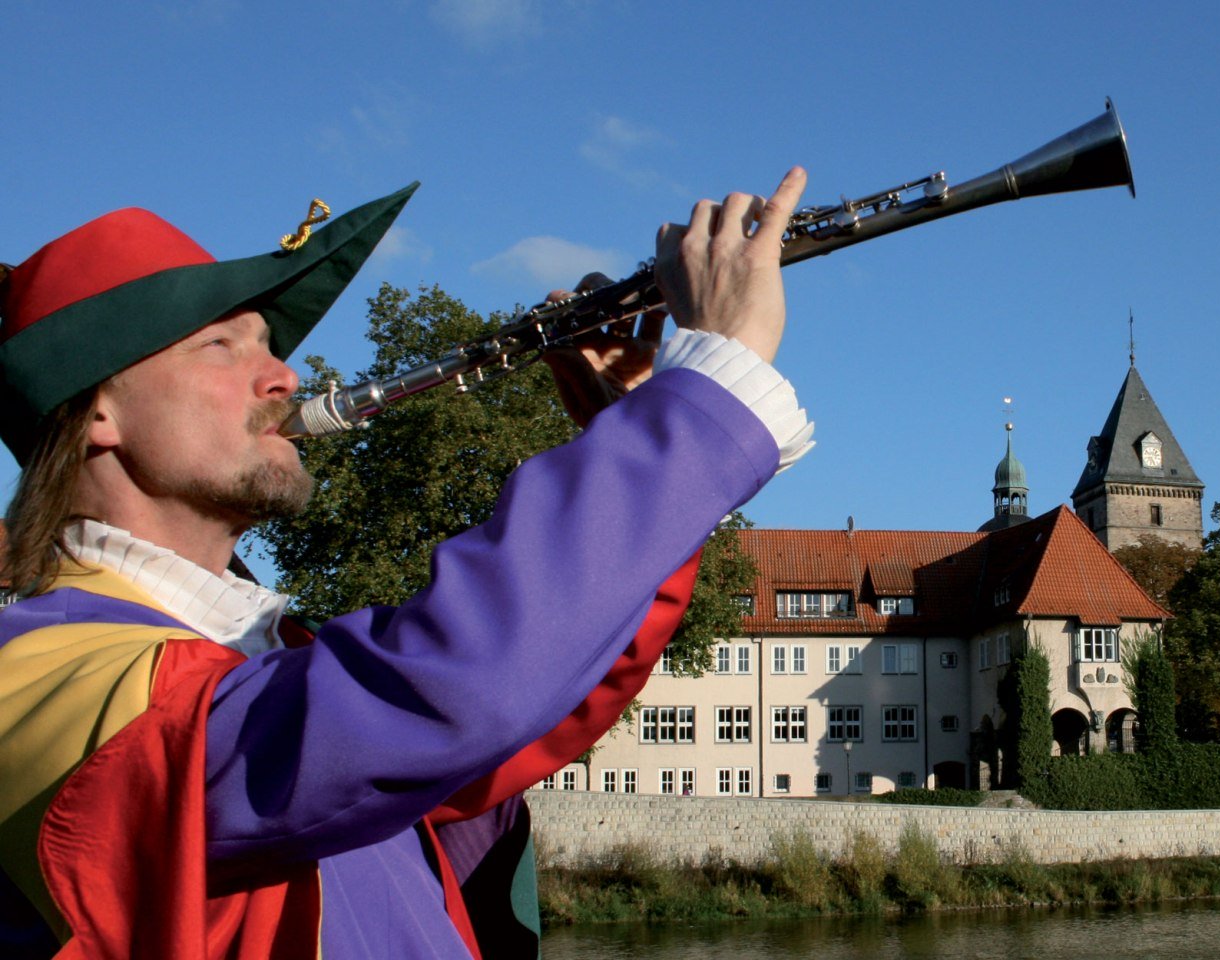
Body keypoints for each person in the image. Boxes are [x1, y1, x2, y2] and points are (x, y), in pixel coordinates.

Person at [0, 167, 811, 958]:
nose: (284, 375)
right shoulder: (35, 676)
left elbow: (515, 723)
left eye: (270, 344)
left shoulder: (260, 656)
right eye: (221, 344)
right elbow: (446, 691)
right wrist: (698, 404)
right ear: (98, 410)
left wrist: (643, 457)